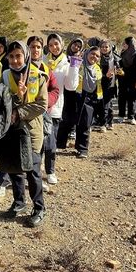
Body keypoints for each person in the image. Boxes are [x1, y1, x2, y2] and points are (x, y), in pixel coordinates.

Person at [2, 41, 48, 227]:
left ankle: (39, 207)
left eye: (18, 56)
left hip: (31, 130)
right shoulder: (4, 75)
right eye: (11, 56)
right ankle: (19, 202)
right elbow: (3, 99)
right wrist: (16, 96)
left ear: (26, 55)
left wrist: (18, 112)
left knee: (33, 170)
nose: (14, 60)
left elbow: (42, 104)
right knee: (15, 169)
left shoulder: (38, 76)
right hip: (12, 130)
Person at [42, 33, 78, 184]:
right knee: (38, 141)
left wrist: (74, 66)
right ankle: (36, 169)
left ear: (62, 45)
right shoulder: (43, 60)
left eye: (56, 44)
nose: (54, 47)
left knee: (51, 142)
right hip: (39, 106)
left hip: (55, 106)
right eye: (50, 45)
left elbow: (71, 86)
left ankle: (50, 170)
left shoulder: (68, 62)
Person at [55, 46, 102, 157]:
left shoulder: (97, 69)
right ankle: (59, 144)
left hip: (89, 99)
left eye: (97, 56)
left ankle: (82, 149)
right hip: (74, 96)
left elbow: (99, 85)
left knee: (85, 124)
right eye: (92, 54)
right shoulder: (78, 63)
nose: (94, 57)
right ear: (87, 54)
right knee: (67, 121)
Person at [27, 36, 59, 187]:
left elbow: (55, 89)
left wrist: (46, 103)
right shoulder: (22, 66)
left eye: (38, 47)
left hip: (43, 113)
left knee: (47, 144)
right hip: (25, 113)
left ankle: (45, 173)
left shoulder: (46, 69)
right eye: (32, 47)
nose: (35, 50)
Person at [118, 37, 136, 124]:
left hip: (134, 79)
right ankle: (121, 115)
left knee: (132, 98)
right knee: (122, 97)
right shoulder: (122, 53)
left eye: (125, 43)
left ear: (130, 44)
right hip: (123, 78)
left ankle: (131, 116)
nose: (123, 45)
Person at [93, 40, 119, 131]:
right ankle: (102, 122)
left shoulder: (114, 58)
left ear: (110, 48)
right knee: (100, 104)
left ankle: (106, 123)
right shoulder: (96, 57)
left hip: (110, 84)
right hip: (98, 84)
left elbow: (120, 70)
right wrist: (104, 75)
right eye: (102, 47)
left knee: (108, 104)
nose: (104, 48)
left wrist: (118, 71)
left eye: (106, 47)